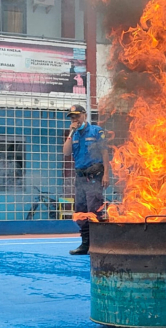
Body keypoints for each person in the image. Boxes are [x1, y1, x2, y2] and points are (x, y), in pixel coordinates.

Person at [63, 105, 111, 255]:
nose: (74, 119)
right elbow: (66, 153)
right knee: (81, 211)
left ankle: (98, 244)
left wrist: (106, 174)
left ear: (84, 115)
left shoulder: (96, 131)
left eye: (77, 116)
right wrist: (70, 134)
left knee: (94, 210)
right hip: (81, 178)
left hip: (94, 177)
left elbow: (105, 153)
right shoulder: (74, 135)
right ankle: (85, 244)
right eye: (72, 117)